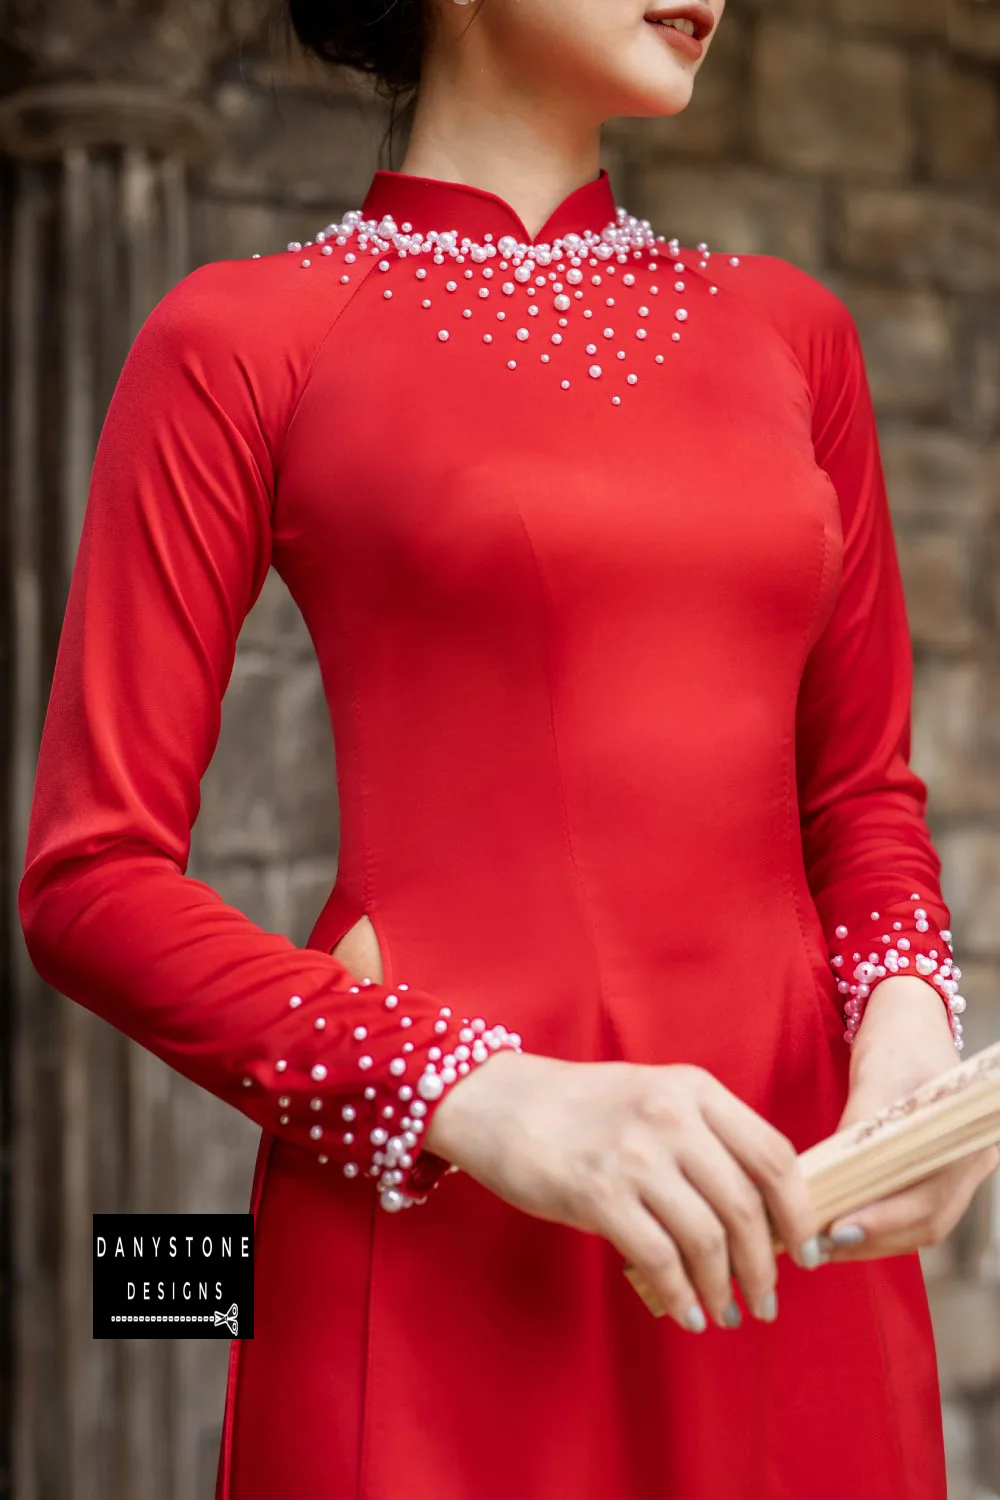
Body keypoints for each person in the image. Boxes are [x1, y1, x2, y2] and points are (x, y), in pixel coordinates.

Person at [18, 0, 1000, 1495]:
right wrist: (476, 1095)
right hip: (444, 1211)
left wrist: (911, 1047)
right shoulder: (244, 337)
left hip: (780, 1213)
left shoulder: (794, 331)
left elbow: (860, 795)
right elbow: (88, 880)